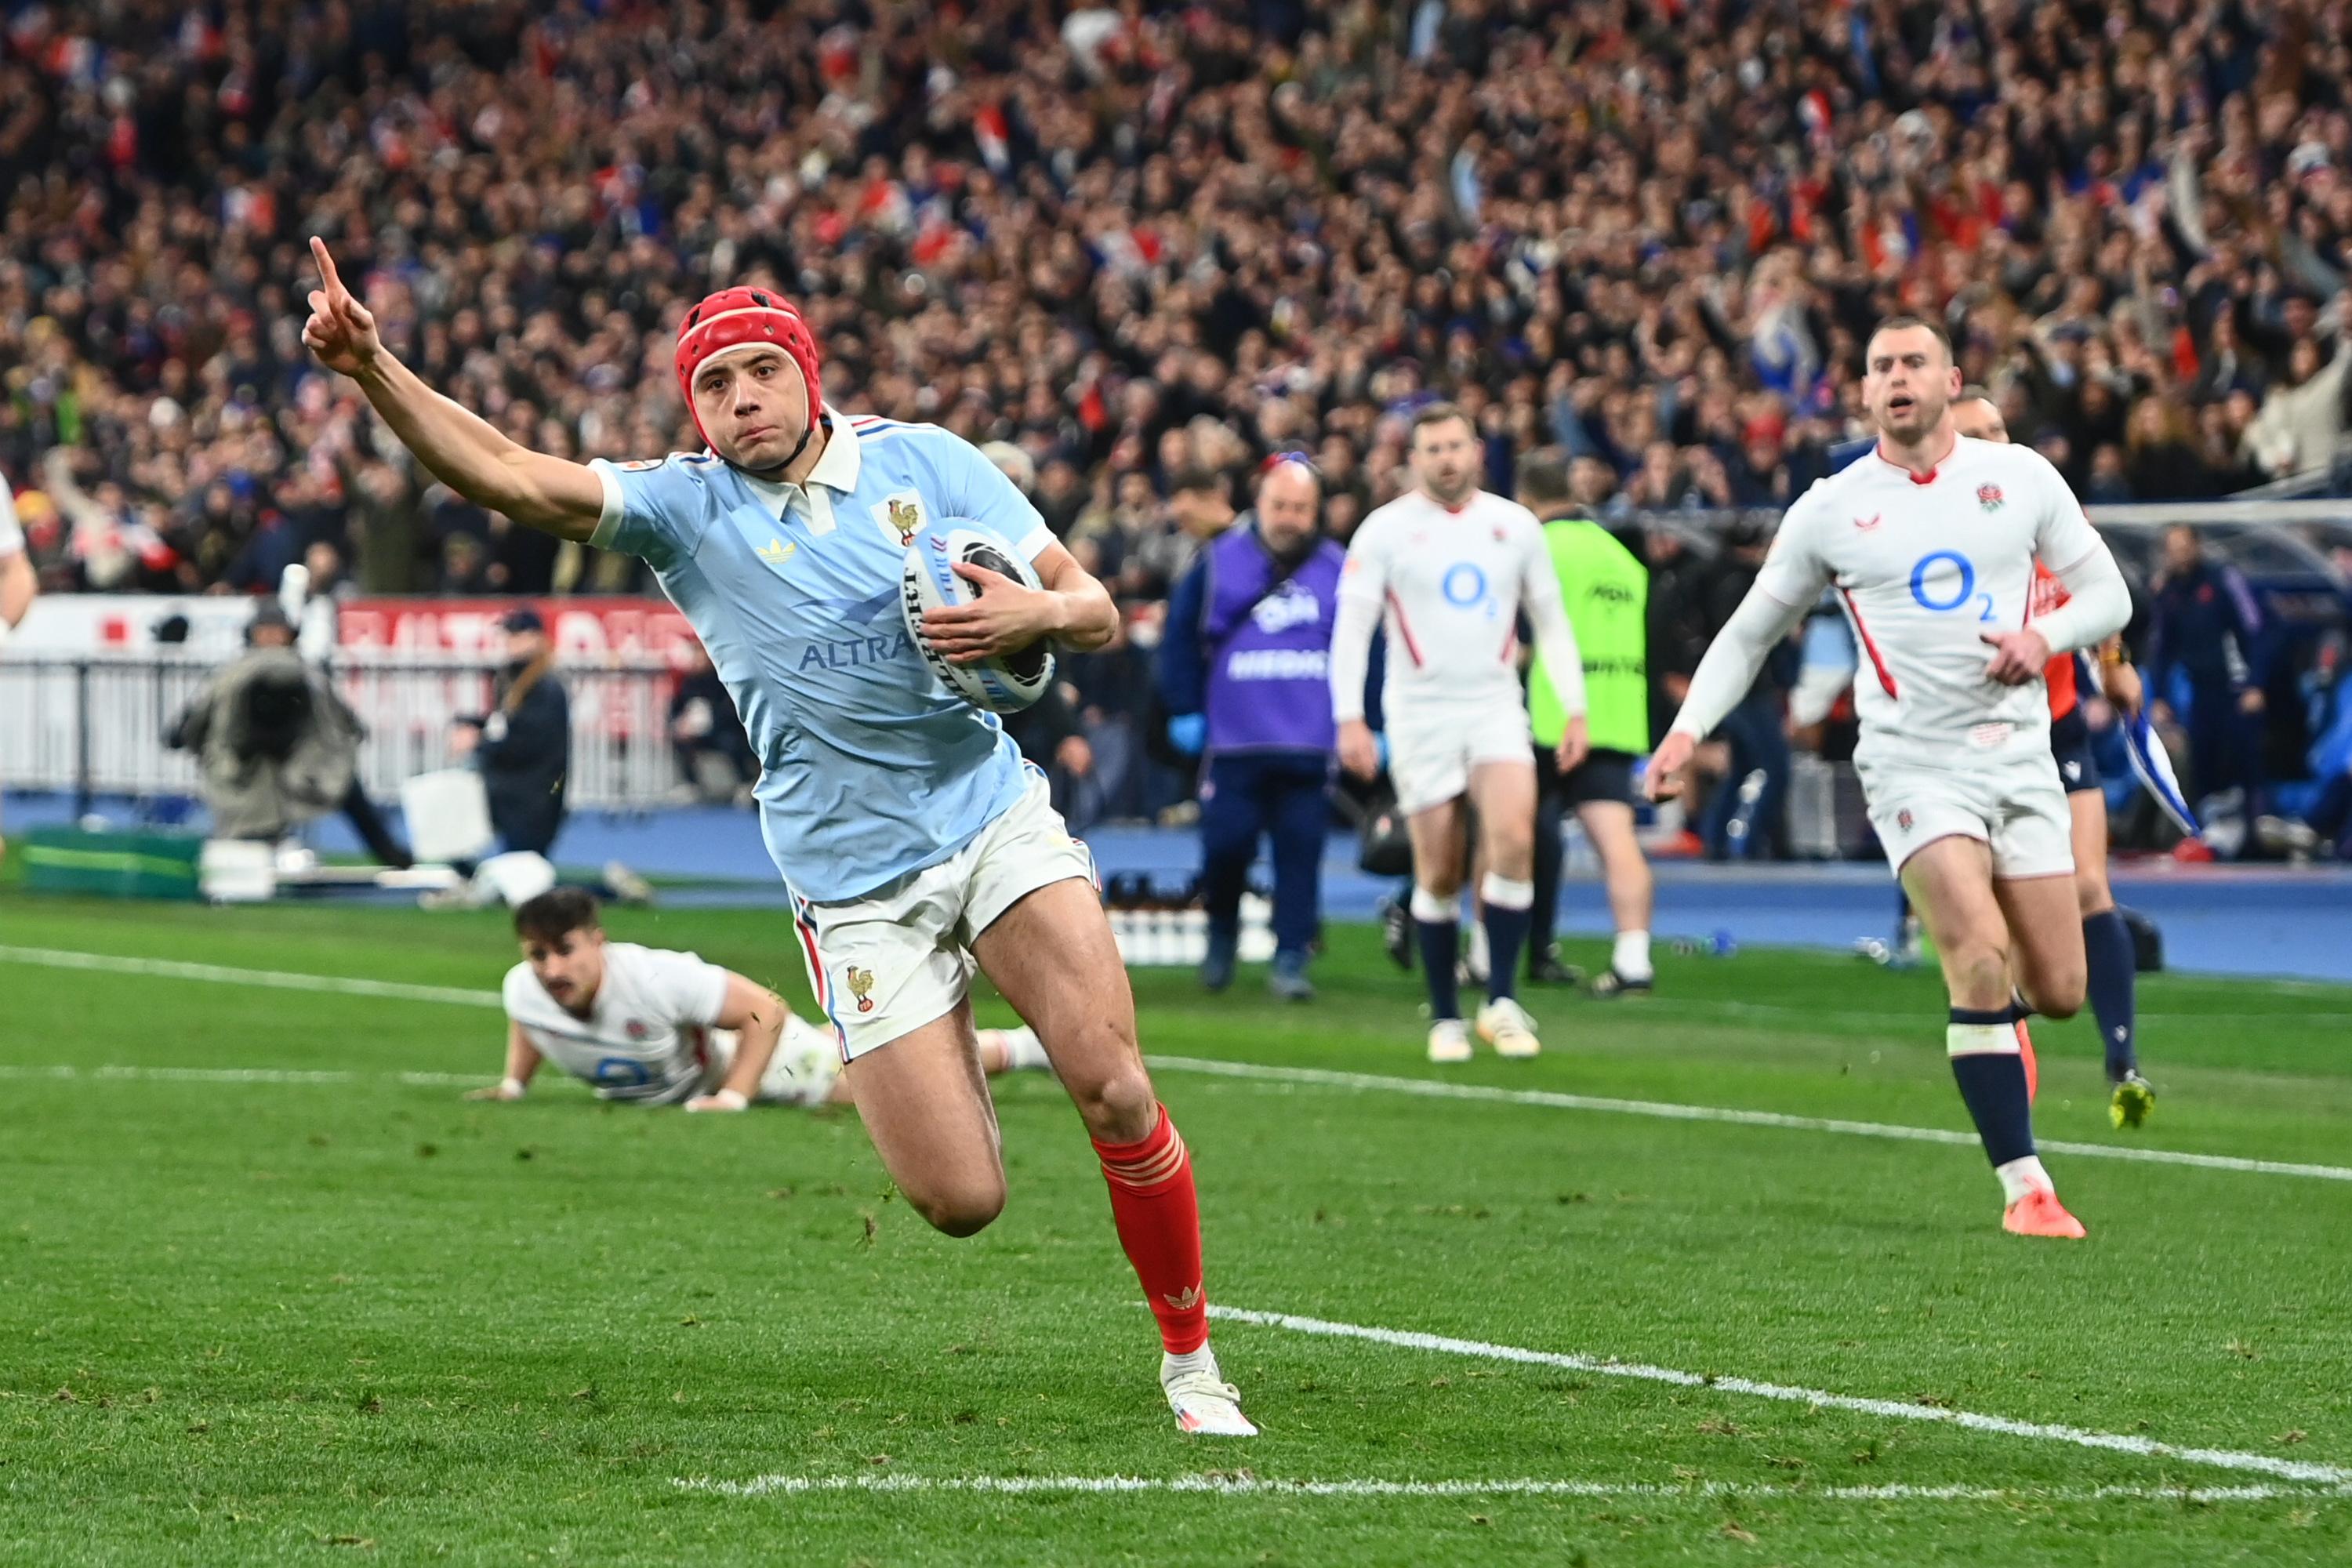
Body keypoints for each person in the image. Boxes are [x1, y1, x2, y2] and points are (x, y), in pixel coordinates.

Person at [300, 241, 1255, 1436]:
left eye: (763, 371)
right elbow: (508, 476)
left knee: (1114, 1087)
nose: (742, 398)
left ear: (809, 375)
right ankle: (951, 1033)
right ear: (693, 408)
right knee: (961, 1200)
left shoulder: (928, 462)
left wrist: (1041, 613)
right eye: (714, 383)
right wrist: (373, 368)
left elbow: (1097, 609)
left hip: (989, 815)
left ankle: (1192, 1366)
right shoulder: (685, 507)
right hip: (852, 883)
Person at [1646, 318, 2130, 1239]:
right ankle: (2026, 1186)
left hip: (2019, 756)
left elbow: (2110, 595)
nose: (1898, 377)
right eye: (1881, 366)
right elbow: (1749, 634)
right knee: (1976, 952)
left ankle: (1994, 1032)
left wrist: (2044, 637)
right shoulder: (1831, 508)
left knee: (2060, 987)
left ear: (1950, 379)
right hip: (1912, 762)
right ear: (1865, 391)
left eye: (1914, 362)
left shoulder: (2022, 477)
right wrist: (1685, 732)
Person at [1330, 402, 1589, 1064]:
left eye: (1456, 446)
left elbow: (1551, 621)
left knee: (1514, 838)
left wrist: (1575, 707)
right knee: (1440, 867)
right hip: (1420, 713)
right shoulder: (1384, 532)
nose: (1447, 459)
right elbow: (1352, 630)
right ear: (1414, 459)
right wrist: (1349, 717)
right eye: (1434, 449)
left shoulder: (1515, 526)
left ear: (1476, 451)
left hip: (1495, 705)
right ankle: (1446, 1014)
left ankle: (1501, 1001)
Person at [1948, 390, 2157, 1129]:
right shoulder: (1937, 530)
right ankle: (2004, 1030)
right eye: (1977, 435)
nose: (1996, 442)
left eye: (1999, 427)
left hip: (2058, 725)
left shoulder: (2044, 500)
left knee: (2091, 883)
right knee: (1999, 933)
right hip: (1979, 739)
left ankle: (2122, 1059)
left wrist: (2114, 664)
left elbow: (2098, 586)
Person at [473, 889, 1050, 1110]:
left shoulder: (656, 979)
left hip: (763, 1063)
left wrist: (733, 1097)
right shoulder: (523, 988)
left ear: (597, 941)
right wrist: (514, 1083)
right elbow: (529, 1019)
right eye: (537, 955)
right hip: (692, 1084)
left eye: (564, 951)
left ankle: (1028, 1049)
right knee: (864, 1054)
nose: (551, 970)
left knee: (887, 1080)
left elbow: (765, 1010)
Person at [1158, 453, 1344, 1001]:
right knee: (1225, 847)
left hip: (1310, 739)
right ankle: (1222, 934)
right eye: (1280, 506)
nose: (1290, 518)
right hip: (1233, 739)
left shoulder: (1339, 567)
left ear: (1316, 512)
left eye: (1301, 508)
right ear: (1259, 505)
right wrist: (1184, 707)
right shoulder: (1217, 561)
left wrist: (1370, 722)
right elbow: (1179, 638)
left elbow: (1368, 647)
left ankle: (1292, 957)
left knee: (1301, 854)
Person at [1515, 449, 1657, 997]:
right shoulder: (1620, 555)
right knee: (1617, 841)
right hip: (1617, 709)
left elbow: (1522, 638)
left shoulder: (1538, 549)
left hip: (1550, 713)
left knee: (1507, 836)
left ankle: (1484, 955)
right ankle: (1633, 961)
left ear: (1526, 499)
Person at [166, 601, 411, 867]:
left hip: (304, 763)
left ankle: (391, 855)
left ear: (290, 634)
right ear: (253, 633)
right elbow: (200, 715)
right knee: (251, 825)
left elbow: (339, 716)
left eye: (277, 630)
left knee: (346, 789)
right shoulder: (234, 676)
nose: (272, 637)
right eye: (265, 630)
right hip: (250, 769)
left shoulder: (305, 675)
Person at [2145, 524, 2269, 839]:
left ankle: (2254, 834)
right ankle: (2207, 835)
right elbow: (2162, 648)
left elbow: (2254, 629)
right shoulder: (2170, 592)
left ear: (2197, 546)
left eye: (2184, 547)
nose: (2179, 555)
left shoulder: (2223, 579)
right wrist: (2159, 696)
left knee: (2245, 761)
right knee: (2203, 760)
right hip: (2202, 689)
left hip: (2237, 687)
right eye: (2173, 549)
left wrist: (2256, 683)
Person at [454, 606, 572, 858]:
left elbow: (526, 742)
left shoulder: (545, 687)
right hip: (513, 794)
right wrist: (474, 725)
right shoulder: (513, 678)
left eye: (517, 635)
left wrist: (479, 743)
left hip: (534, 798)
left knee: (525, 869)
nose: (509, 642)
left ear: (536, 638)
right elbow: (504, 725)